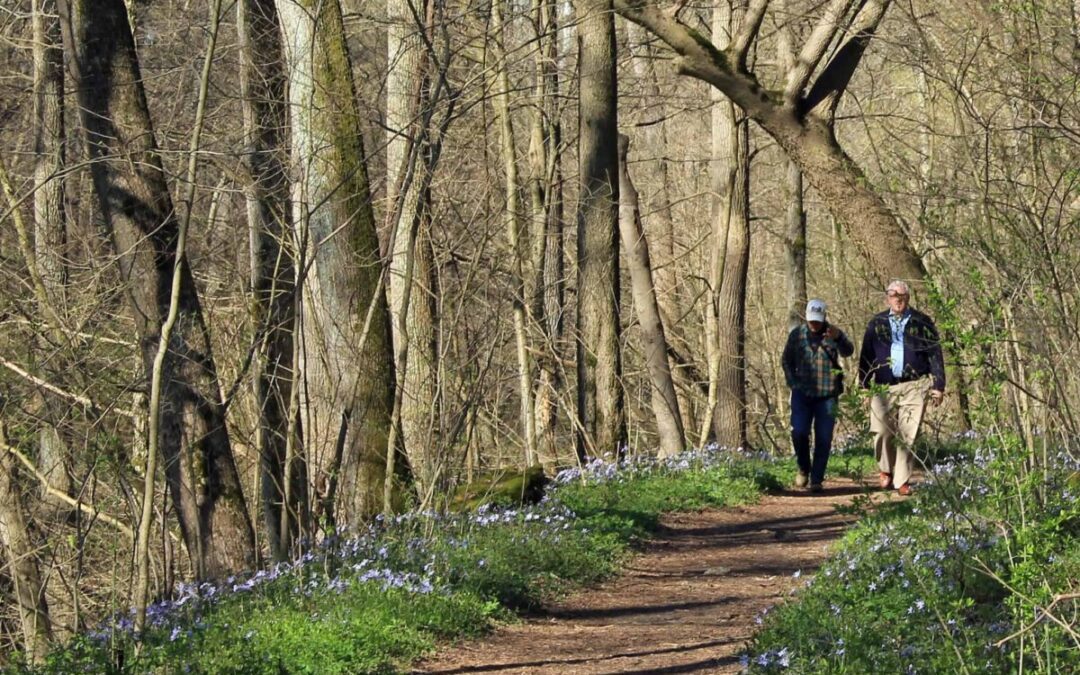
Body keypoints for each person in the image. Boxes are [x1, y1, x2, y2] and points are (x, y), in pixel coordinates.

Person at [858, 280, 945, 496]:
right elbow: (866, 356)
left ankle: (901, 480)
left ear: (908, 298)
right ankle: (885, 469)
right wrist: (863, 385)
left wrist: (938, 384)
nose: (898, 299)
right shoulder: (877, 323)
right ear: (887, 298)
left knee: (908, 433)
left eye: (902, 296)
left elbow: (935, 353)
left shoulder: (921, 322)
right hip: (883, 386)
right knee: (881, 430)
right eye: (894, 295)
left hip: (915, 384)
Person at [782, 299, 854, 493]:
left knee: (824, 437)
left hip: (828, 394)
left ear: (824, 318)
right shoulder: (797, 335)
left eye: (818, 320)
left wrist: (838, 338)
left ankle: (817, 479)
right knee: (799, 432)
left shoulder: (833, 333)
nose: (814, 324)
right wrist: (793, 382)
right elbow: (786, 360)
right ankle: (804, 468)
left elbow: (849, 351)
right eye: (811, 320)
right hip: (802, 393)